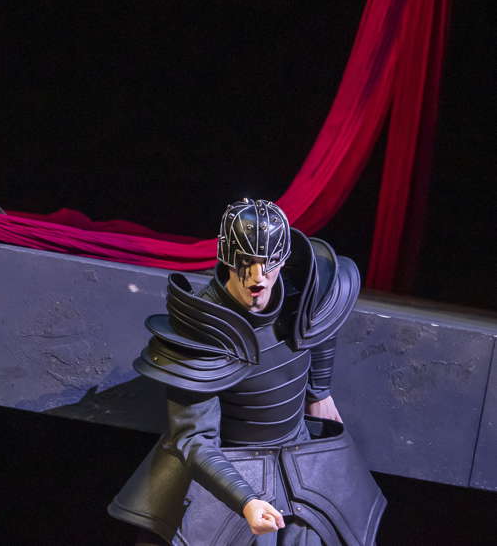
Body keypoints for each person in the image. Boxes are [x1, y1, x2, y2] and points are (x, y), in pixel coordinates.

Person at [108, 199, 385, 545]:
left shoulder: (302, 295)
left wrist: (319, 389)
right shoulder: (202, 328)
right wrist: (246, 500)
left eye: (268, 263)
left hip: (300, 460)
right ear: (227, 257)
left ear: (283, 260)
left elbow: (323, 319)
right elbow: (194, 439)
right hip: (232, 469)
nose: (257, 276)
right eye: (246, 263)